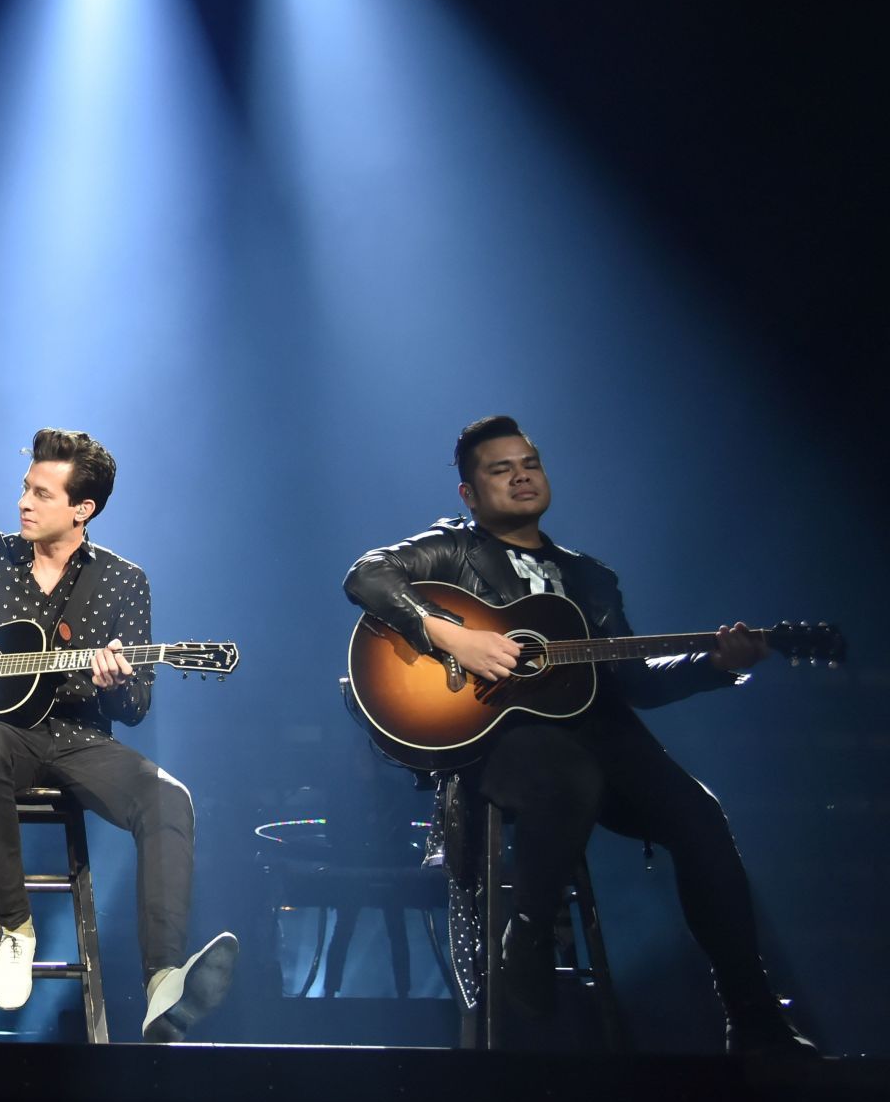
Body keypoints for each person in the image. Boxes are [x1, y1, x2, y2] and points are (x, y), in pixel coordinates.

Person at [342, 415, 815, 1054]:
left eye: (529, 463)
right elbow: (366, 576)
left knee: (701, 817)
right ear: (469, 495)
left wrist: (716, 663)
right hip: (501, 741)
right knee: (570, 774)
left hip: (600, 736)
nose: (520, 476)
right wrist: (452, 635)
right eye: (499, 469)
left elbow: (633, 678)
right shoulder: (455, 548)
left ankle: (751, 1014)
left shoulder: (591, 577)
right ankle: (531, 934)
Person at [0, 428, 237, 1043]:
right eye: (25, 488)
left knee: (170, 798)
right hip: (3, 735)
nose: (23, 503)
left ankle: (164, 983)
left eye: (41, 493)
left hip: (81, 739)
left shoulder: (122, 581)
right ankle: (15, 925)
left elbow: (136, 705)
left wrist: (113, 677)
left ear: (82, 509)